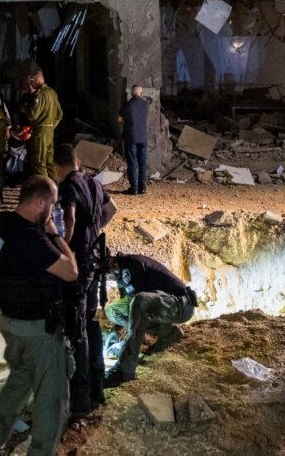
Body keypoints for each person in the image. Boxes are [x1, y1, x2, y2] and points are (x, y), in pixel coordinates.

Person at [0, 176, 78, 456]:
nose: (53, 212)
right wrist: (55, 233)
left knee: (17, 388)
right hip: (38, 332)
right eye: (52, 205)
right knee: (51, 404)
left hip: (11, 324)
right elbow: (71, 271)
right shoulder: (32, 238)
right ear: (40, 202)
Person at [53, 143, 118, 417]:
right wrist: (92, 231)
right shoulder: (93, 183)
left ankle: (80, 401)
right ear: (78, 162)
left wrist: (61, 246)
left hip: (77, 266)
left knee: (77, 331)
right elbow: (112, 209)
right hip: (94, 263)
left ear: (58, 166)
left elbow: (68, 219)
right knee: (91, 324)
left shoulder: (67, 187)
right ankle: (98, 386)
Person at [105, 253, 197, 386]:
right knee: (112, 310)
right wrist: (117, 331)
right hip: (165, 304)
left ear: (112, 264)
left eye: (107, 275)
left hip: (180, 305)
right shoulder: (123, 269)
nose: (109, 278)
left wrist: (130, 341)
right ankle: (169, 333)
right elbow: (128, 305)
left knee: (140, 300)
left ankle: (125, 369)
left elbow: (138, 303)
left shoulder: (130, 267)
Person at [26, 71, 63, 178]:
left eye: (31, 81)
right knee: (49, 162)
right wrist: (51, 127)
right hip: (50, 132)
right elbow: (60, 115)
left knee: (39, 162)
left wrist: (25, 109)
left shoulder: (39, 94)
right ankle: (55, 187)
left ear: (37, 80)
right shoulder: (52, 92)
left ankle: (44, 188)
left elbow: (33, 115)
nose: (30, 84)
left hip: (40, 133)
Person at [117, 85, 150, 195]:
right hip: (143, 138)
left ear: (131, 93)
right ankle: (143, 187)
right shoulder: (145, 104)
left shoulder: (128, 105)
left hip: (131, 138)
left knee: (132, 163)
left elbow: (119, 119)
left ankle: (134, 188)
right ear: (141, 93)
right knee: (142, 163)